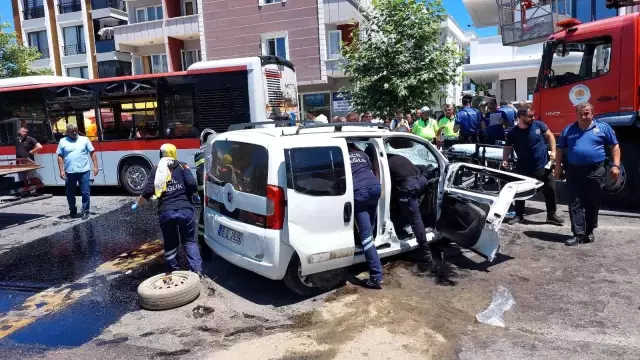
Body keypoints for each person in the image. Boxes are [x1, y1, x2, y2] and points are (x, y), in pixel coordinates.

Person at [555, 102, 621, 246]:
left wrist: (616, 165)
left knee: (592, 202)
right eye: (581, 113)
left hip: (596, 170)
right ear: (576, 114)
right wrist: (557, 168)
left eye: (587, 113)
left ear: (592, 113)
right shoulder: (569, 130)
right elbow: (560, 150)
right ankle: (578, 234)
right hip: (574, 170)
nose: (584, 116)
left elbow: (614, 147)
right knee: (575, 202)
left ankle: (589, 232)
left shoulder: (603, 128)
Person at [133, 144, 203, 275]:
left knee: (171, 242)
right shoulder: (184, 166)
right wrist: (193, 195)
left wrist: (138, 204)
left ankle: (174, 271)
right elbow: (192, 185)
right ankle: (197, 270)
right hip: (185, 210)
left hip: (166, 212)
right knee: (189, 241)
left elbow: (148, 191)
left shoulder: (156, 169)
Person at [502, 107, 563, 226]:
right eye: (530, 116)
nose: (533, 118)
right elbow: (507, 148)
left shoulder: (539, 125)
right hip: (523, 167)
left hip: (542, 165)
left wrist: (554, 152)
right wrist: (505, 159)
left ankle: (551, 215)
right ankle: (519, 215)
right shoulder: (513, 133)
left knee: (550, 190)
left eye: (533, 115)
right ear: (520, 117)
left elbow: (550, 137)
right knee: (520, 192)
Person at [387, 149, 435, 273]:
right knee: (404, 207)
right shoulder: (398, 157)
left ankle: (425, 254)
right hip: (420, 181)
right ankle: (401, 228)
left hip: (408, 187)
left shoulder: (383, 162)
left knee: (415, 219)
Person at [347, 142, 384, 289]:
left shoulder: (344, 156)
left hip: (359, 191)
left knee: (365, 235)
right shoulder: (363, 155)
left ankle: (376, 276)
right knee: (370, 226)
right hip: (375, 187)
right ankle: (371, 249)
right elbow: (372, 169)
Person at [56, 123, 99, 220]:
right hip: (70, 172)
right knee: (70, 193)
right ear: (67, 132)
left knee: (85, 192)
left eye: (76, 130)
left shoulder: (84, 140)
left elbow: (92, 153)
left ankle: (85, 211)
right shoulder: (62, 141)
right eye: (72, 131)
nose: (75, 132)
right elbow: (60, 156)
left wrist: (95, 167)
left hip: (84, 171)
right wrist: (61, 170)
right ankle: (73, 211)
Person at [15, 126, 43, 195]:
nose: (25, 133)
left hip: (28, 162)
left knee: (31, 177)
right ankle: (24, 192)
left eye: (26, 132)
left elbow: (39, 146)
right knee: (22, 178)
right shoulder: (16, 140)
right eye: (23, 131)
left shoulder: (30, 139)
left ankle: (33, 192)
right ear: (19, 132)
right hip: (19, 162)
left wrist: (31, 152)